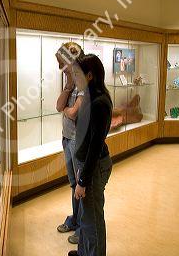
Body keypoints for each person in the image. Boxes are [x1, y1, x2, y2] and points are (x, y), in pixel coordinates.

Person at [68, 54, 113, 256]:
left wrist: (83, 180)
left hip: (92, 166)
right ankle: (83, 252)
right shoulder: (89, 97)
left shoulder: (99, 103)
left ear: (89, 75)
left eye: (77, 74)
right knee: (86, 216)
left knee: (93, 219)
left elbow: (95, 146)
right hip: (85, 163)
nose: (73, 77)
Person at [55, 43, 85, 244]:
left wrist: (68, 109)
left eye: (62, 64)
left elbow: (73, 112)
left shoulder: (83, 83)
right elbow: (59, 106)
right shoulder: (71, 84)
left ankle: (83, 227)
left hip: (77, 141)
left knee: (81, 187)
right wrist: (68, 85)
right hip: (67, 138)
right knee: (73, 184)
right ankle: (75, 220)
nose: (60, 69)